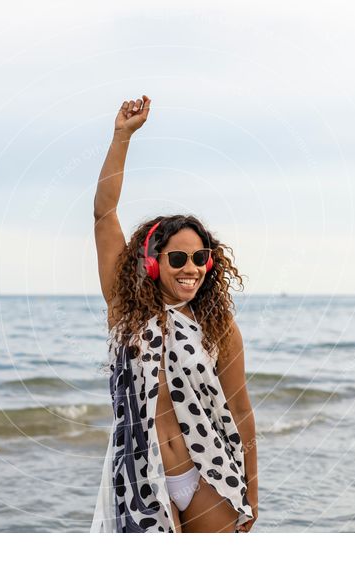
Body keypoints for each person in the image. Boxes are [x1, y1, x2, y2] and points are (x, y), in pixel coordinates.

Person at [90, 96, 258, 533]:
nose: (191, 268)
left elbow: (241, 413)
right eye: (178, 257)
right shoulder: (123, 312)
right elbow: (103, 214)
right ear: (152, 262)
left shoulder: (218, 328)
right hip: (142, 480)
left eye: (200, 257)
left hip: (209, 477)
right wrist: (121, 137)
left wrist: (251, 498)